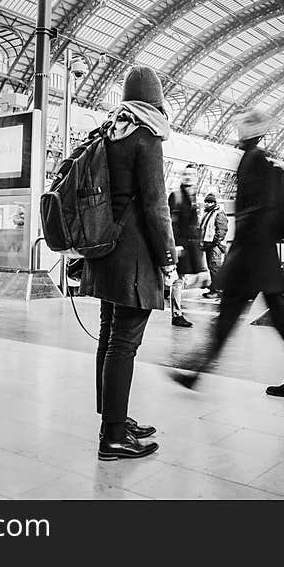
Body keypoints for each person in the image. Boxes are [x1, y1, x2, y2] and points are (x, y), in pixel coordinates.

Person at [170, 108, 284, 399]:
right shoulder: (257, 159)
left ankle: (196, 371)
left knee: (233, 319)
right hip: (259, 256)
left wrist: (237, 258)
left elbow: (253, 212)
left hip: (251, 257)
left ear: (249, 133)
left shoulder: (253, 160)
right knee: (278, 318)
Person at [79, 65, 177, 461]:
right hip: (133, 258)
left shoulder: (108, 131)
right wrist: (168, 259)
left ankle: (113, 419)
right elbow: (156, 207)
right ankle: (114, 437)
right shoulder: (147, 137)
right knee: (124, 342)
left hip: (103, 252)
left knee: (109, 335)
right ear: (156, 100)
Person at [168, 164, 206, 327]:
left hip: (188, 247)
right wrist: (176, 244)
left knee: (180, 279)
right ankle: (176, 314)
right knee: (177, 279)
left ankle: (178, 312)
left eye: (192, 174)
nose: (189, 176)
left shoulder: (193, 197)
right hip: (180, 246)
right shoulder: (176, 196)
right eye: (186, 174)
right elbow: (171, 222)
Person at [199, 193, 228, 299]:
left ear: (214, 203)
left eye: (209, 202)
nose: (207, 204)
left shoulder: (218, 213)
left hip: (215, 245)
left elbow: (222, 230)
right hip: (209, 245)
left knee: (215, 267)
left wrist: (215, 242)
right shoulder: (208, 213)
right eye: (206, 202)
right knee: (212, 267)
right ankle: (214, 288)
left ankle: (217, 290)